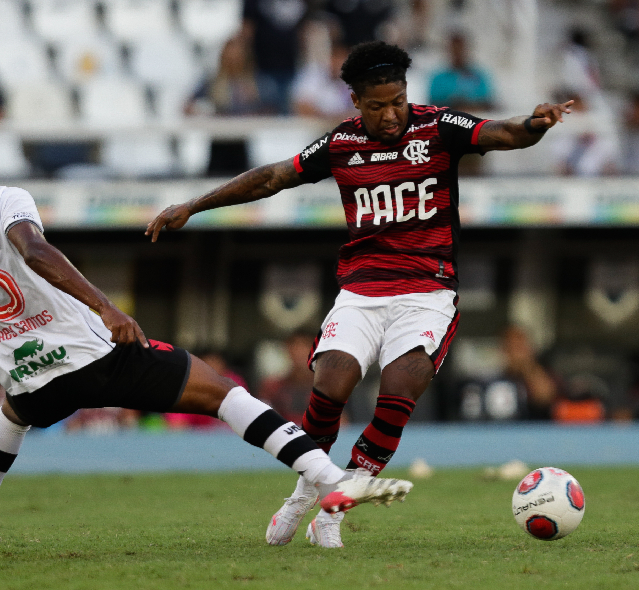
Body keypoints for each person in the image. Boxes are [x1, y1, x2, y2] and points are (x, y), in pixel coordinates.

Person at [0, 122, 412, 556]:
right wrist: (107, 307)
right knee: (218, 390)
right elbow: (34, 251)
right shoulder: (5, 201)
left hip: (29, 373)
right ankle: (327, 477)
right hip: (92, 351)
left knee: (11, 417)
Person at [146, 41, 573, 548]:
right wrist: (194, 204)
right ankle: (307, 491)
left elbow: (500, 133)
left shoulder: (437, 127)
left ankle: (336, 507)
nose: (391, 114)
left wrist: (535, 124)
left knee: (401, 384)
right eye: (378, 106)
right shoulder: (340, 144)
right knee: (330, 385)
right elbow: (272, 178)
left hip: (427, 289)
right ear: (355, 101)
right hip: (362, 290)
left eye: (398, 100)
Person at [427, 32, 494, 113]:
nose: (458, 53)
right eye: (454, 49)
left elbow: (488, 103)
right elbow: (433, 106)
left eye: (460, 49)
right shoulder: (439, 78)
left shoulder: (479, 76)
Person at [291, 41, 356, 121]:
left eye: (344, 59)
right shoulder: (314, 75)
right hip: (315, 127)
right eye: (336, 58)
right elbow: (302, 107)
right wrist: (331, 118)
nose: (340, 63)